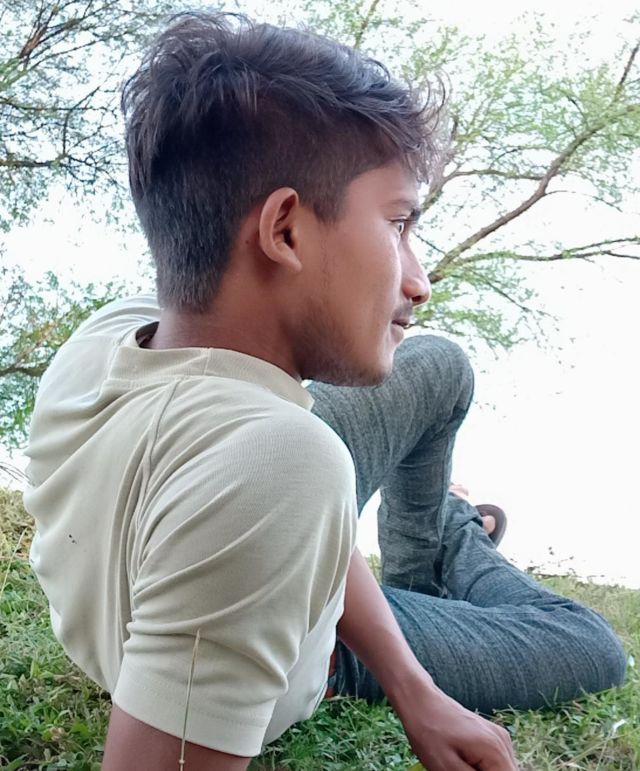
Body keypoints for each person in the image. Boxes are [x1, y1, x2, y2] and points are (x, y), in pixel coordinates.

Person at [23, 11, 626, 771]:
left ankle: (421, 560)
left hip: (241, 528)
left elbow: (272, 488)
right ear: (285, 230)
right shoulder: (281, 463)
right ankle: (457, 534)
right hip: (300, 637)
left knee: (438, 364)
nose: (419, 280)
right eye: (399, 223)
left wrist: (417, 689)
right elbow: (274, 482)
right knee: (587, 644)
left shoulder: (112, 333)